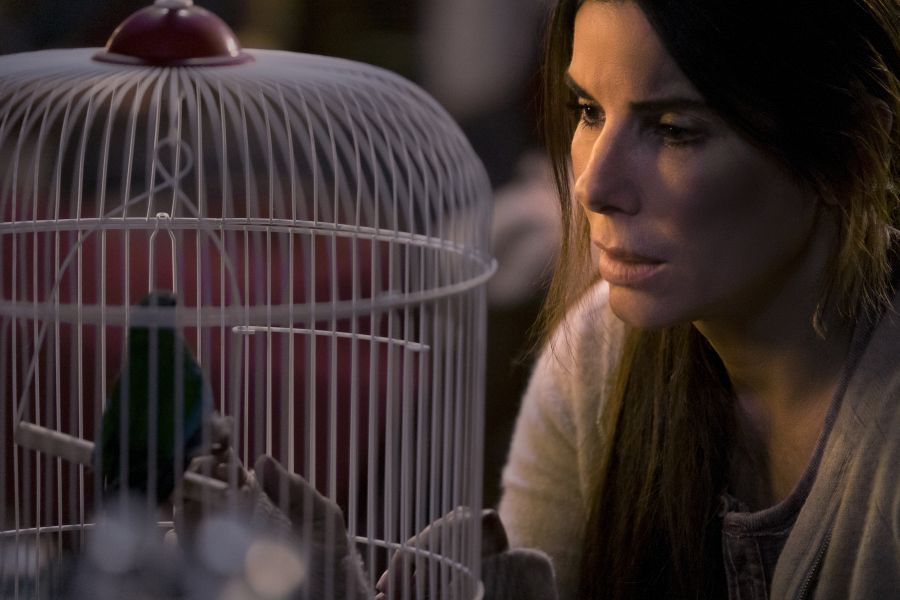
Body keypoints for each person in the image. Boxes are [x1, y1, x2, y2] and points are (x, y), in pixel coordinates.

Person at [497, 0, 900, 599]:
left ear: (852, 146)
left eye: (674, 130)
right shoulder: (598, 352)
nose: (592, 186)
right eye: (589, 111)